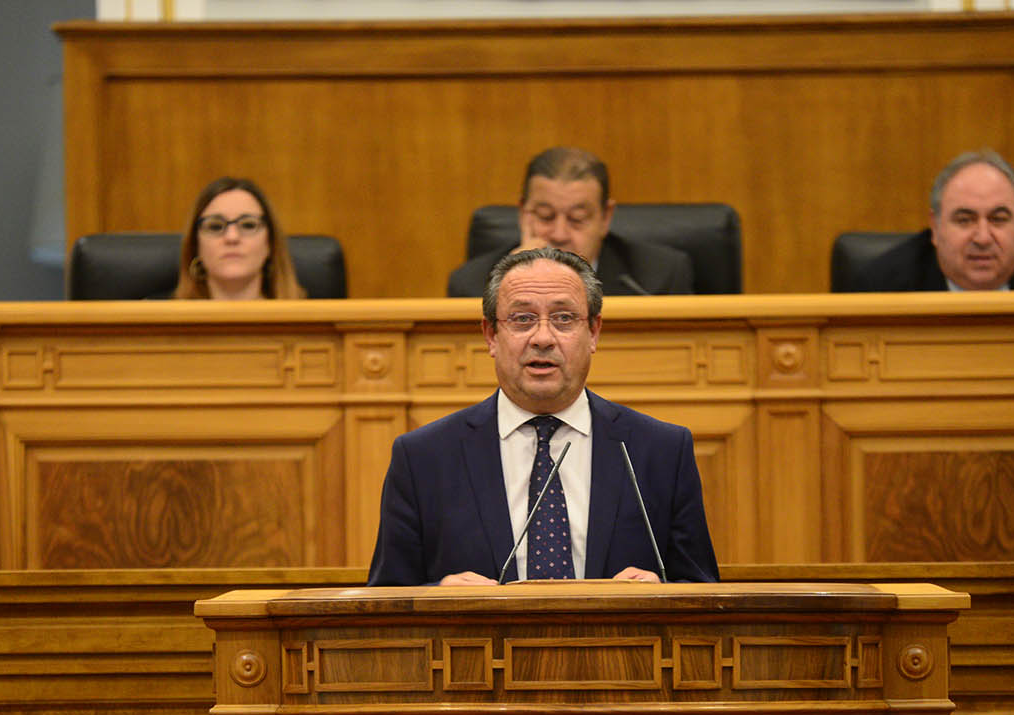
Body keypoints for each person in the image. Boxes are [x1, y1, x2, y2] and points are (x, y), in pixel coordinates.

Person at [371, 247, 719, 586]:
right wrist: (440, 598)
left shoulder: (660, 451)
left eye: (564, 318)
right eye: (522, 319)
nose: (542, 338)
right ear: (491, 335)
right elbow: (386, 604)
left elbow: (703, 592)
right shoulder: (423, 458)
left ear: (594, 332)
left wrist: (662, 593)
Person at [446, 147, 695, 298]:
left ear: (605, 217)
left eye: (577, 219)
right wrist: (511, 288)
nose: (559, 233)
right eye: (545, 216)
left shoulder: (658, 279)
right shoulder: (472, 285)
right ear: (523, 213)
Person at [849, 149, 1014, 292]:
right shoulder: (879, 288)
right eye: (964, 220)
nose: (983, 238)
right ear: (935, 228)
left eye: (998, 219)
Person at [174, 176, 304, 300]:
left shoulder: (309, 320)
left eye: (248, 225)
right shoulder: (164, 320)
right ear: (195, 244)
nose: (232, 237)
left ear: (270, 242)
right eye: (215, 226)